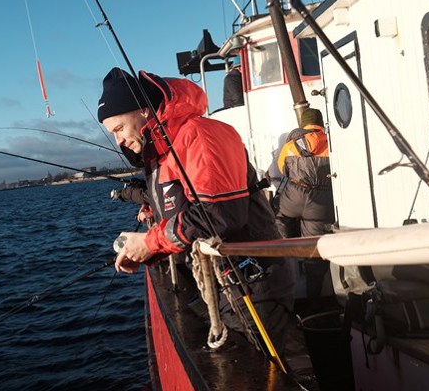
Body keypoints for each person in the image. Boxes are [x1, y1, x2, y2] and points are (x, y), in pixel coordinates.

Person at [96, 66, 294, 352]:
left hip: (252, 284)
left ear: (144, 112)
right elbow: (180, 212)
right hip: (224, 283)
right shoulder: (164, 152)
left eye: (119, 129)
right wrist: (149, 250)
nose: (119, 141)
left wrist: (150, 241)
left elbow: (219, 215)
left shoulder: (201, 135)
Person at [274, 107, 335, 309]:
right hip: (320, 203)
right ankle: (314, 301)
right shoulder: (331, 142)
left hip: (294, 197)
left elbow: (283, 170)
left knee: (280, 219)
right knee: (315, 250)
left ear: (303, 124)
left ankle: (286, 254)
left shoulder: (291, 145)